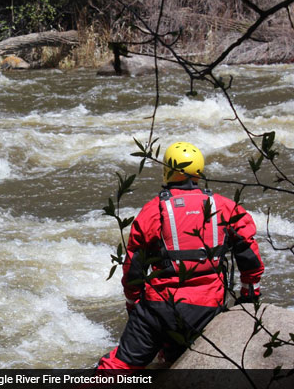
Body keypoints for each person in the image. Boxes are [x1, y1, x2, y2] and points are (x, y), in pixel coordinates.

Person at [97, 141, 264, 370]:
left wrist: (133, 303)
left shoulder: (154, 210)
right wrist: (249, 294)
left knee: (119, 366)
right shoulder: (225, 207)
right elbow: (250, 258)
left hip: (158, 307)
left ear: (167, 171)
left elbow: (133, 266)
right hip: (207, 308)